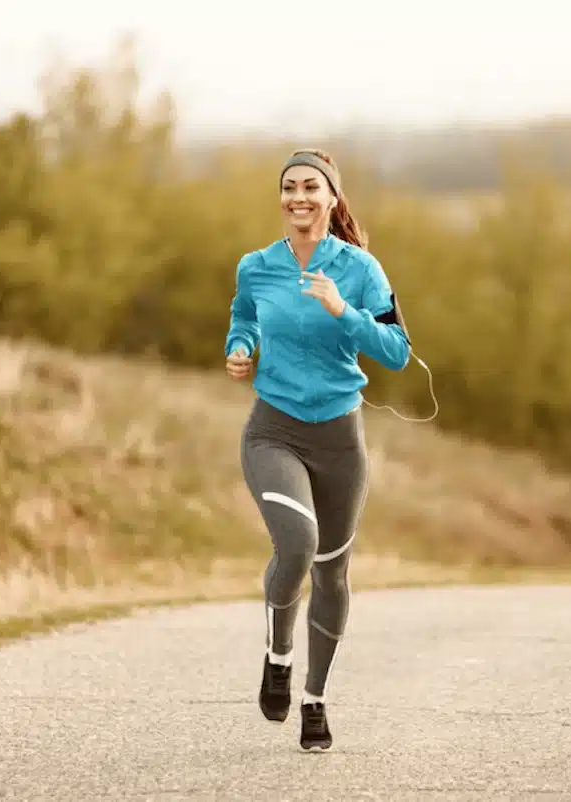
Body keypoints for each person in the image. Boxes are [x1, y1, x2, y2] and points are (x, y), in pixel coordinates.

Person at [223, 148, 411, 752]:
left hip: (340, 440)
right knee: (297, 543)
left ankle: (315, 700)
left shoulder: (361, 269)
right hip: (273, 429)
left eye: (310, 187)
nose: (298, 197)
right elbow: (244, 316)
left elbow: (397, 350)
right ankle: (278, 653)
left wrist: (344, 311)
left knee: (332, 572)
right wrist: (240, 346)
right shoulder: (256, 267)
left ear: (332, 198)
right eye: (289, 187)